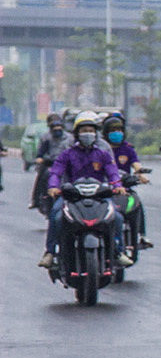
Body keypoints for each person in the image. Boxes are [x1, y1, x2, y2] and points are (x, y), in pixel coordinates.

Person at [38, 111, 132, 269]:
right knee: (56, 215)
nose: (88, 134)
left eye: (91, 130)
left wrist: (117, 186)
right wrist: (53, 187)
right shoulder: (67, 154)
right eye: (84, 131)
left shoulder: (102, 154)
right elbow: (56, 171)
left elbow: (112, 172)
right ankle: (50, 252)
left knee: (117, 218)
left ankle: (118, 252)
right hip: (71, 195)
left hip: (98, 196)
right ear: (77, 133)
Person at [102, 115, 153, 249]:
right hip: (104, 188)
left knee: (137, 203)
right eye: (113, 130)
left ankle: (142, 235)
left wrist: (141, 175)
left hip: (124, 188)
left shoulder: (127, 149)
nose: (117, 133)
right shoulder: (101, 148)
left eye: (119, 129)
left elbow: (136, 164)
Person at [30, 114, 71, 210]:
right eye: (54, 127)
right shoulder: (46, 138)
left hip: (66, 165)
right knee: (42, 176)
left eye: (59, 127)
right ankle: (36, 200)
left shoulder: (70, 138)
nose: (57, 129)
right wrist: (40, 159)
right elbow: (40, 153)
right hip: (51, 164)